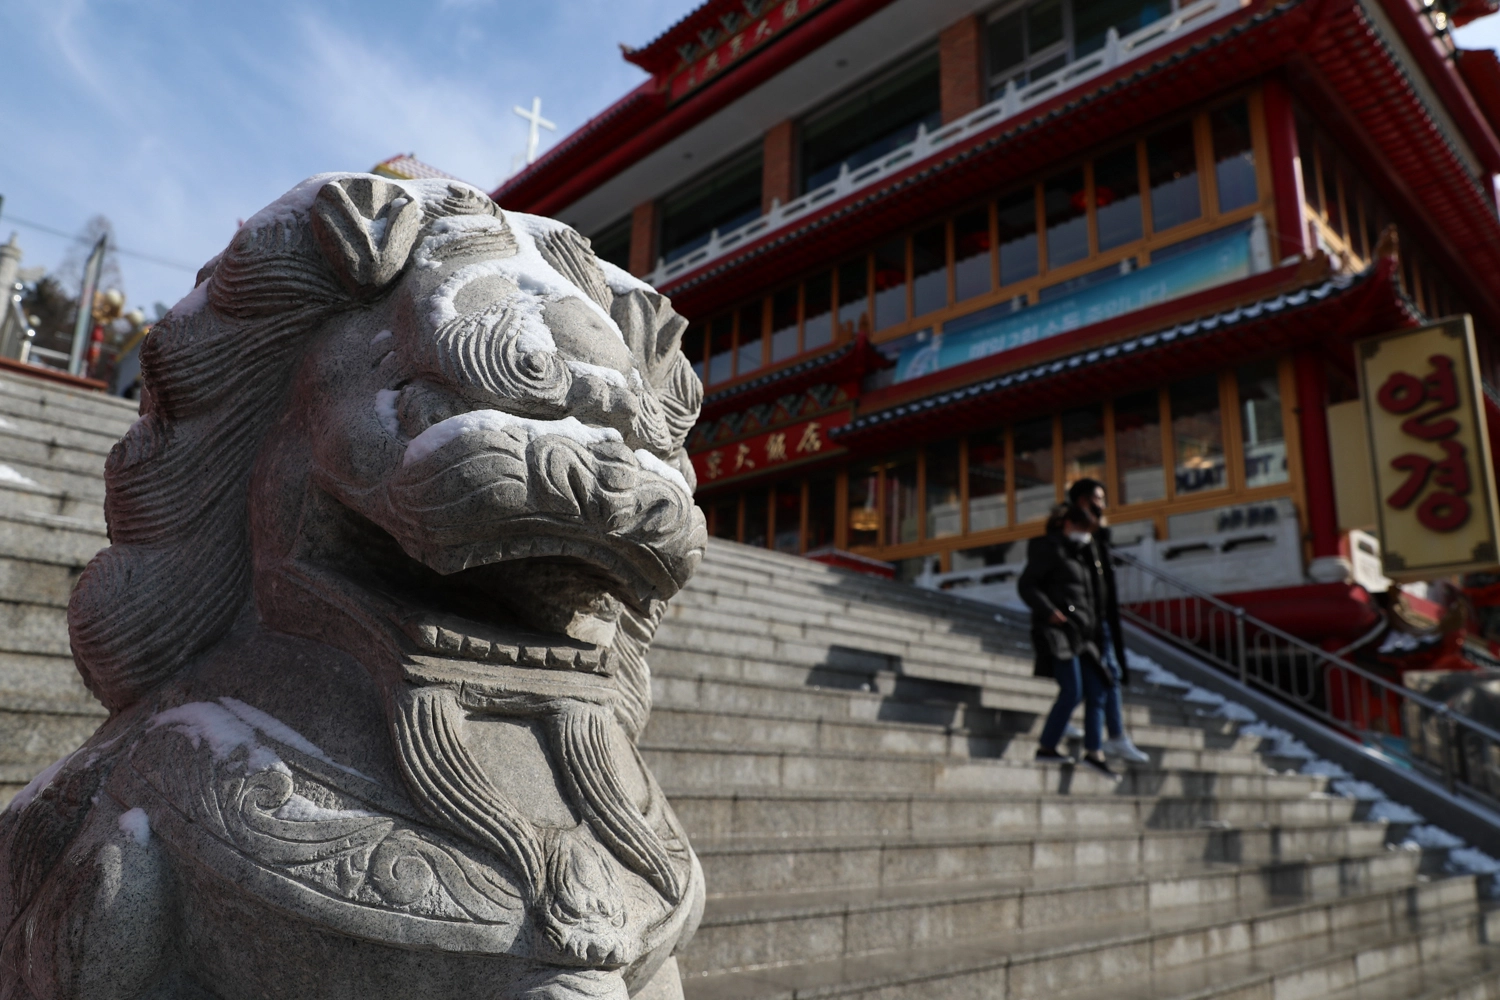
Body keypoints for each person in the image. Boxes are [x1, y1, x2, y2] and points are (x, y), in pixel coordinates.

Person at [1020, 504, 1118, 777]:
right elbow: (1026, 585)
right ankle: (1047, 747)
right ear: (1067, 525)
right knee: (1072, 689)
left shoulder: (1084, 555)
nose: (1085, 535)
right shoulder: (1048, 548)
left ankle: (1094, 752)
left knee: (1098, 688)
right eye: (1082, 529)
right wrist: (1050, 611)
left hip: (1083, 635)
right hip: (1058, 631)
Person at [1067, 477, 1150, 765]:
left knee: (1103, 675)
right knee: (1107, 674)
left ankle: (1106, 733)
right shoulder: (1071, 530)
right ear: (1083, 501)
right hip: (1085, 617)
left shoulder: (1095, 533)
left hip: (1099, 617)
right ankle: (1115, 737)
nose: (1103, 505)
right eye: (1098, 499)